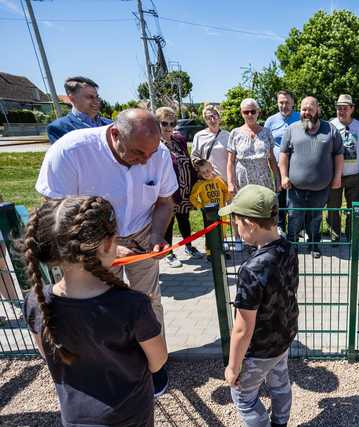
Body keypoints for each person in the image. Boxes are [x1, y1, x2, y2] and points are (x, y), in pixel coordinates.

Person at [21, 196, 168, 426]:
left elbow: (46, 352)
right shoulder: (132, 304)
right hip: (129, 415)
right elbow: (158, 361)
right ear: (110, 244)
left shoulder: (36, 300)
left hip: (74, 416)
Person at [35, 108, 177, 331]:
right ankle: (116, 358)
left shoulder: (158, 153)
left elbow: (165, 202)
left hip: (142, 235)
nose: (144, 161)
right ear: (115, 134)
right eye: (138, 153)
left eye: (150, 154)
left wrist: (157, 235)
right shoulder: (70, 151)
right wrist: (105, 248)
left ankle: (156, 360)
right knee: (100, 305)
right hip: (89, 242)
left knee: (149, 302)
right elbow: (54, 214)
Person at [220, 185, 298, 427]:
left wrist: (233, 367)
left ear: (250, 224)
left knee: (243, 396)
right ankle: (280, 423)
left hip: (260, 349)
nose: (235, 227)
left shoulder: (251, 270)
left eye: (236, 223)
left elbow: (242, 329)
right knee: (280, 382)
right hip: (284, 336)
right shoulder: (288, 247)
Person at [279, 96, 344, 259]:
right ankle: (292, 245)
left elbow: (338, 155)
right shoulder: (291, 129)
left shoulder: (330, 129)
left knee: (315, 218)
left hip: (321, 187)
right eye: (303, 109)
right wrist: (284, 176)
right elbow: (283, 155)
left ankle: (314, 245)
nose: (306, 112)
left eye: (310, 109)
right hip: (295, 187)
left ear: (318, 110)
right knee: (294, 217)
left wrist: (337, 177)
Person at [227, 98, 281, 251]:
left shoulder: (266, 132)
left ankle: (264, 241)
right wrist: (230, 182)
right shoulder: (235, 133)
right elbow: (230, 161)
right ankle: (240, 238)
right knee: (242, 209)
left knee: (264, 209)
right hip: (243, 179)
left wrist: (277, 179)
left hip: (263, 179)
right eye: (246, 112)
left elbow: (271, 159)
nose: (250, 114)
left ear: (258, 112)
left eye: (253, 111)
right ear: (241, 113)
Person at [156, 107, 200, 268]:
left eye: (172, 123)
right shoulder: (154, 143)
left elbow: (187, 160)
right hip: (167, 192)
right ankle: (169, 253)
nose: (169, 127)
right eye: (164, 123)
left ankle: (188, 246)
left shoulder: (179, 139)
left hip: (184, 189)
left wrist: (194, 182)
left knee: (184, 219)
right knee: (168, 222)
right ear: (157, 123)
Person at [327, 94, 359, 243]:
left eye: (345, 108)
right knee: (333, 208)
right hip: (335, 174)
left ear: (352, 109)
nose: (341, 111)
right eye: (339, 108)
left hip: (354, 175)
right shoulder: (331, 125)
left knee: (353, 208)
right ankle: (334, 236)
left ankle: (352, 236)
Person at [264, 91, 301, 234]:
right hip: (277, 169)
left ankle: (297, 230)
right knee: (278, 198)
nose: (284, 105)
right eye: (281, 102)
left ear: (293, 103)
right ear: (277, 103)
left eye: (287, 102)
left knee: (296, 200)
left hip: (298, 168)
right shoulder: (270, 121)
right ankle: (280, 229)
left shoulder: (300, 117)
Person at [47, 76, 112, 144]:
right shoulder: (59, 128)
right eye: (90, 97)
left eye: (97, 97)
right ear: (72, 98)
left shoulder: (110, 124)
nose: (96, 101)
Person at [191, 104, 230, 182]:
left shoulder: (228, 135)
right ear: (205, 120)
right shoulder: (199, 136)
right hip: (209, 182)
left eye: (214, 116)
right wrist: (202, 164)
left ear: (219, 117)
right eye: (208, 118)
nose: (212, 120)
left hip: (226, 180)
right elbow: (194, 157)